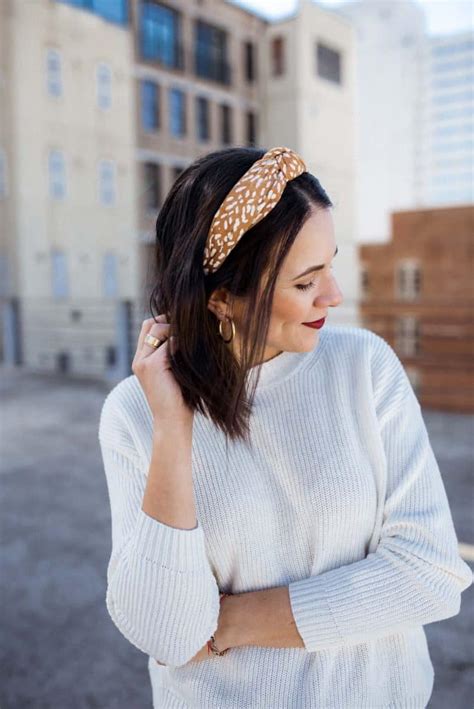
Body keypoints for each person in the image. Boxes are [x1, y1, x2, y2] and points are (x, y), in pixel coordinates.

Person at [98, 146, 472, 708]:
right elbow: (168, 634)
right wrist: (172, 429)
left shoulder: (363, 367)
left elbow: (430, 573)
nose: (335, 296)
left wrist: (228, 623)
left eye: (331, 264)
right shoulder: (135, 413)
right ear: (223, 299)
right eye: (305, 282)